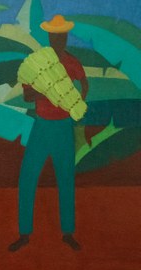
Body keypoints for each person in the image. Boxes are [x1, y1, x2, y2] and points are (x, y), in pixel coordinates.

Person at [9, 14, 88, 252]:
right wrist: (48, 90)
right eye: (55, 36)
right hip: (42, 126)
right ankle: (24, 233)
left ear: (66, 37)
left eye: (62, 36)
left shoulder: (72, 62)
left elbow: (84, 83)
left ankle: (68, 233)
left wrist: (75, 102)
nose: (58, 40)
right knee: (28, 177)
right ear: (50, 37)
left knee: (66, 178)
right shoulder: (37, 64)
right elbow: (27, 96)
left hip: (63, 126)